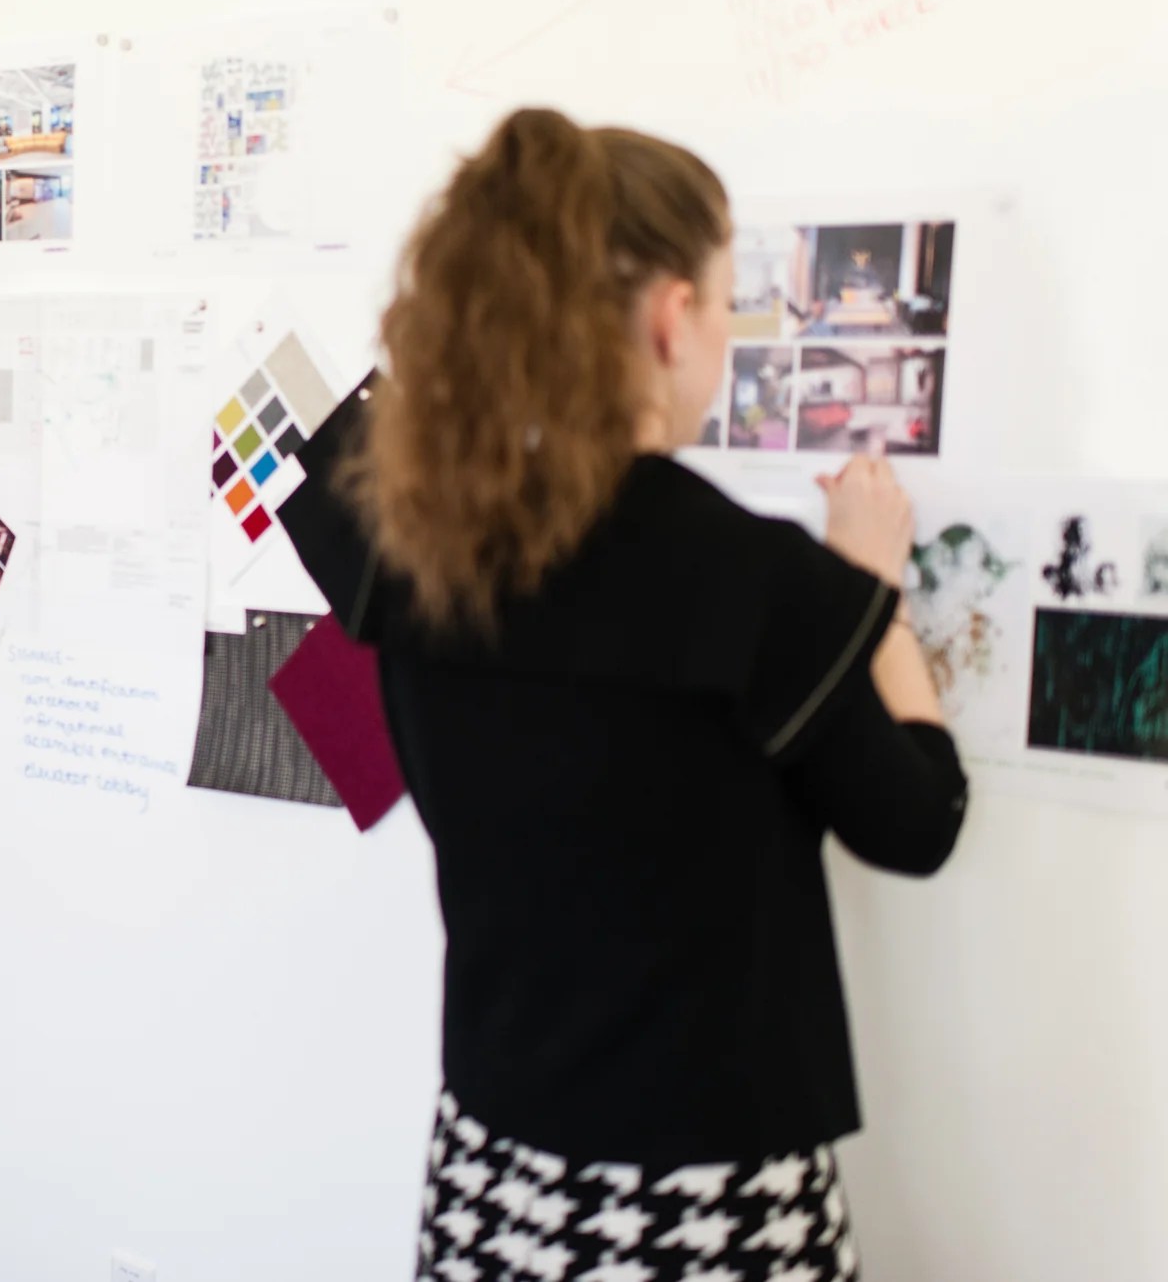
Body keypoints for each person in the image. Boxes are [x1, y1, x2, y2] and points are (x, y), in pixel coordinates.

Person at [286, 108, 967, 1281]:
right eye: (719, 302)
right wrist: (870, 593)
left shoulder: (415, 536)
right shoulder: (753, 581)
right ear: (667, 319)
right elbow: (916, 822)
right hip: (706, 1203)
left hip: (490, 1173)